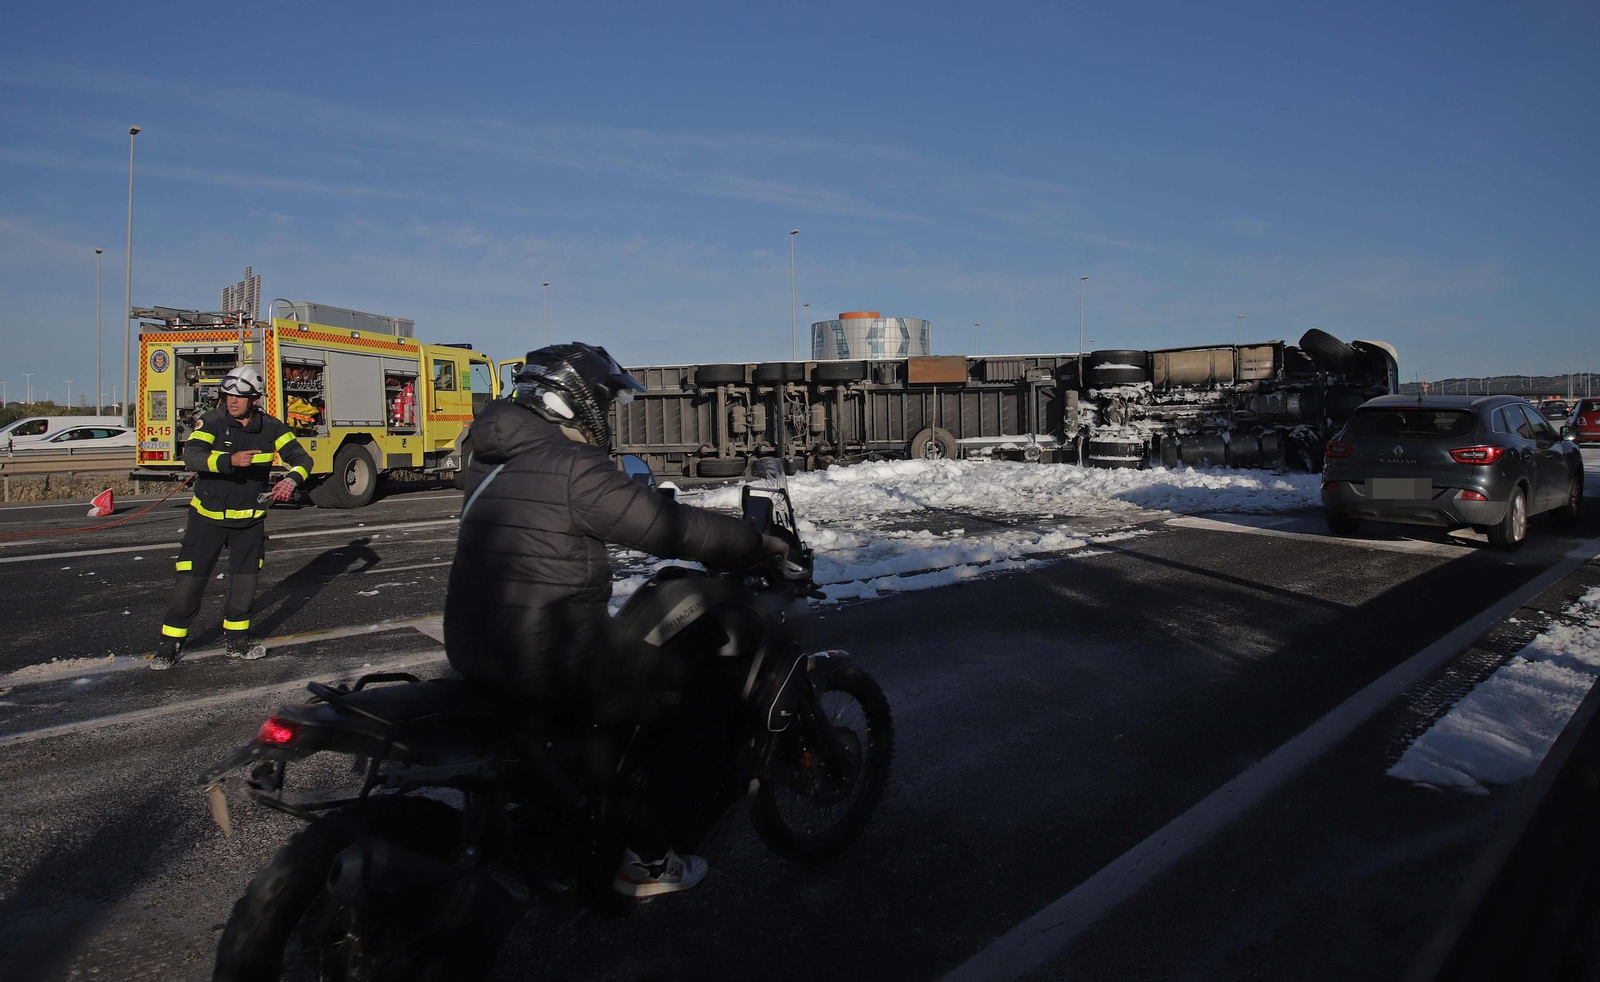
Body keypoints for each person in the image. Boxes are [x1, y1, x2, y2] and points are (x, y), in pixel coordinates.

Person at [444, 342, 786, 898]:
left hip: (475, 642)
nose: (608, 414)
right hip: (547, 650)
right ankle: (648, 860)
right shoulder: (572, 466)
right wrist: (755, 541)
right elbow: (667, 529)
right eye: (604, 400)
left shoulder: (489, 457)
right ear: (571, 401)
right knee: (669, 691)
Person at [150, 366, 312, 669]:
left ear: (254, 399)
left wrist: (291, 480)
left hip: (249, 523)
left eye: (239, 397)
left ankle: (237, 642)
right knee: (190, 583)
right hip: (207, 520)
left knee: (245, 585)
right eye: (228, 397)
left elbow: (303, 459)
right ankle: (170, 645)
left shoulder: (272, 427)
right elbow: (192, 456)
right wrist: (228, 461)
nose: (232, 402)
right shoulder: (211, 421)